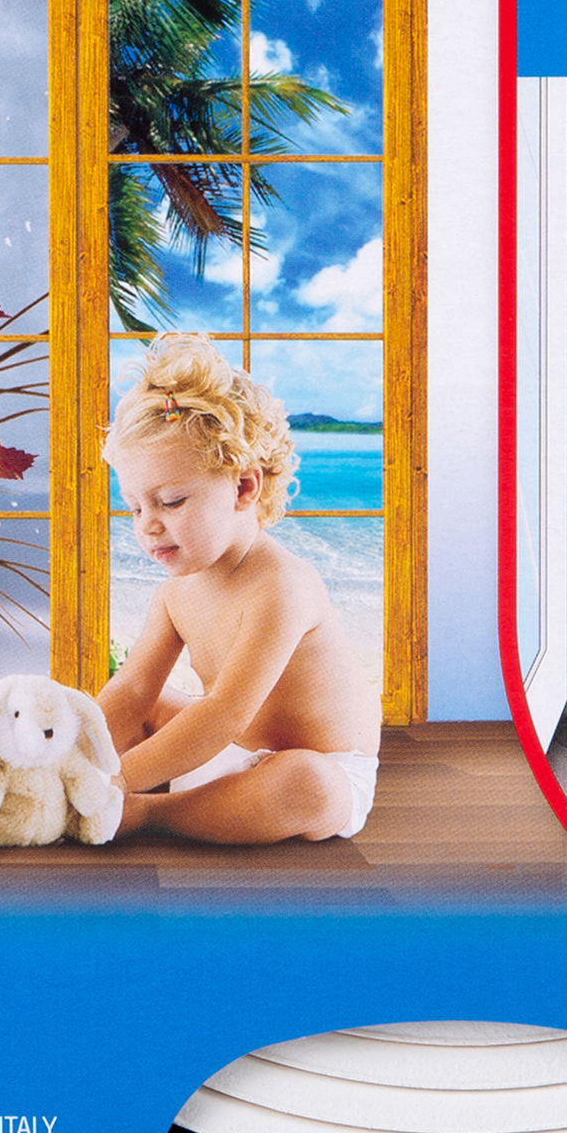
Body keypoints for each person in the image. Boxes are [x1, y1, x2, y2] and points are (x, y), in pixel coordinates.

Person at [97, 335, 381, 842]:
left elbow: (224, 713)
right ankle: (114, 787)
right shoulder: (175, 594)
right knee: (144, 703)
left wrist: (116, 782)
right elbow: (133, 690)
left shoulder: (282, 585)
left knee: (309, 785)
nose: (148, 526)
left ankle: (148, 813)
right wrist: (76, 758)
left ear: (245, 487)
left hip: (312, 769)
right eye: (135, 507)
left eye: (171, 501)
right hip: (222, 753)